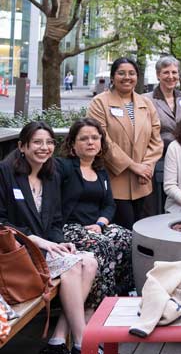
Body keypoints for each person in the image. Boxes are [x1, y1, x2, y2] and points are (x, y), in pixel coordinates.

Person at [0, 122, 99, 354]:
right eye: (37, 142)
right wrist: (36, 240)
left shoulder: (51, 175)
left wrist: (58, 241)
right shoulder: (5, 173)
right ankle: (82, 342)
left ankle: (62, 341)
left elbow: (56, 220)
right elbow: (2, 221)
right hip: (18, 253)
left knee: (90, 261)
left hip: (44, 250)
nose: (44, 147)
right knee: (74, 268)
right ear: (21, 146)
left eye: (49, 142)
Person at [58, 118, 134, 310]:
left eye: (94, 138)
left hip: (95, 227)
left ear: (101, 143)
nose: (90, 142)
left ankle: (120, 292)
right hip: (69, 228)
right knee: (105, 245)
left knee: (127, 238)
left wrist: (100, 224)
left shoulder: (100, 171)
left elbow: (109, 205)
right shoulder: (64, 168)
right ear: (73, 144)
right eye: (84, 138)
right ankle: (101, 307)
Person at [88, 57, 163, 229]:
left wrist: (146, 166)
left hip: (143, 181)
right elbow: (101, 139)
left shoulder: (146, 103)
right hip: (115, 180)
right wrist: (132, 166)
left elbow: (156, 139)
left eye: (131, 73)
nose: (127, 77)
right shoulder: (100, 102)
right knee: (121, 233)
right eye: (121, 73)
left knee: (145, 233)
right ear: (113, 77)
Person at [143, 56, 181, 214]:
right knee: (159, 201)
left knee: (180, 198)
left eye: (174, 72)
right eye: (166, 72)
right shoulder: (147, 100)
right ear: (158, 75)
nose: (171, 76)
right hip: (159, 157)